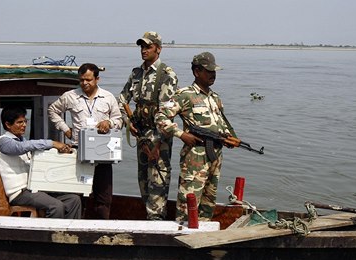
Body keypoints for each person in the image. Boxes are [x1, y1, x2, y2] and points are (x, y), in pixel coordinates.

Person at [155, 52, 236, 221]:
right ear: (196, 72)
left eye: (214, 71)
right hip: (195, 157)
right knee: (188, 201)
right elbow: (160, 117)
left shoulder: (215, 98)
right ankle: (182, 234)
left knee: (209, 200)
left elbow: (220, 124)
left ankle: (203, 233)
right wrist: (181, 134)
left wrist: (227, 138)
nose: (213, 74)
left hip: (215, 155)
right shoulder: (185, 95)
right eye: (208, 71)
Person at [48, 63, 122, 219]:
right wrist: (65, 128)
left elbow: (119, 120)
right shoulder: (70, 96)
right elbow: (52, 110)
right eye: (81, 80)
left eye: (88, 80)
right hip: (78, 151)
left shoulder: (108, 97)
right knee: (78, 195)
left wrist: (109, 123)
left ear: (97, 79)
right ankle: (76, 228)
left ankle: (101, 230)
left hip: (103, 154)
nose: (85, 83)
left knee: (103, 196)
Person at [118, 31, 178, 220]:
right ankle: (149, 220)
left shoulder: (166, 75)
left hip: (159, 137)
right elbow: (121, 101)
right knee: (143, 181)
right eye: (142, 47)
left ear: (158, 49)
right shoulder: (136, 73)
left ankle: (157, 222)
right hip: (140, 134)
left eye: (148, 47)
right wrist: (128, 124)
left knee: (158, 181)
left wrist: (159, 143)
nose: (144, 50)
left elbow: (167, 113)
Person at [0, 106, 81, 219]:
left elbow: (32, 148)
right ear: (8, 125)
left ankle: (70, 232)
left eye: (25, 121)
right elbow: (22, 147)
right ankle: (52, 235)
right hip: (20, 193)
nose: (24, 125)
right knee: (56, 206)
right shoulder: (3, 142)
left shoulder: (22, 140)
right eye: (19, 122)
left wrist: (62, 149)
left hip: (35, 187)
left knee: (73, 200)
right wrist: (53, 143)